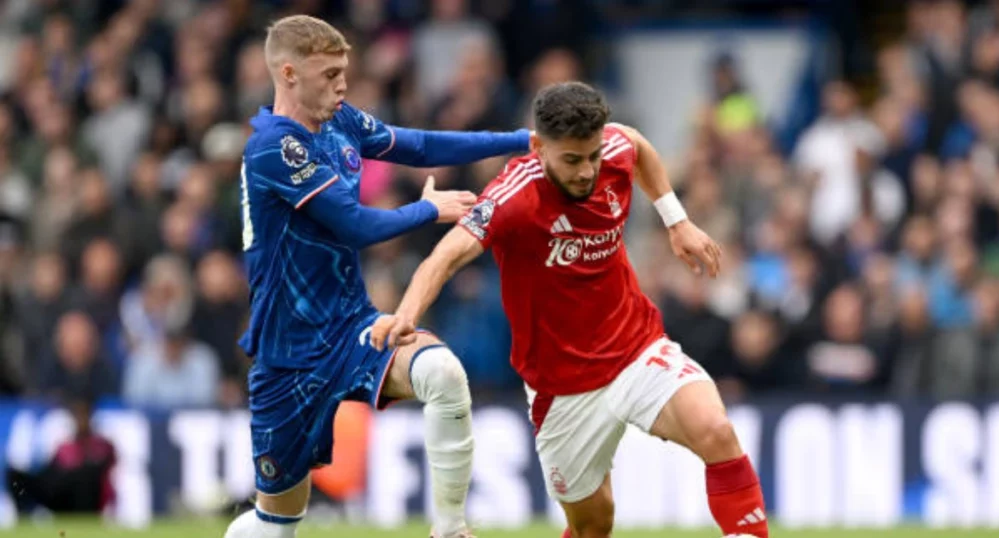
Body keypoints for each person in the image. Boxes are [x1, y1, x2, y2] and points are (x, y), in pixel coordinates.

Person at [370, 81, 770, 538]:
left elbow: (635, 143)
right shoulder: (511, 196)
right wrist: (406, 315)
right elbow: (446, 256)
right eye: (573, 160)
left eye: (593, 156)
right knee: (592, 524)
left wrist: (676, 221)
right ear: (539, 148)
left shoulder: (614, 150)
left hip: (635, 348)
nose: (587, 172)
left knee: (715, 429)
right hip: (561, 388)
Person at [224, 15, 532, 538]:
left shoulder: (339, 120)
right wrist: (427, 210)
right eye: (329, 74)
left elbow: (418, 145)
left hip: (350, 328)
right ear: (290, 74)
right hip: (287, 355)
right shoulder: (274, 147)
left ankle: (451, 530)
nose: (342, 84)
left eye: (345, 70)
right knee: (275, 524)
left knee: (443, 374)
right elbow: (355, 224)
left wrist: (522, 139)